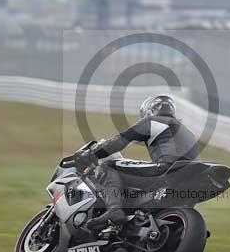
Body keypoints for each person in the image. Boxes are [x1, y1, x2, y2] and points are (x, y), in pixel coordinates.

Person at [74, 94, 200, 231]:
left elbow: (120, 141)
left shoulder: (153, 121)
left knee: (108, 166)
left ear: (150, 110)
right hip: (186, 175)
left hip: (165, 169)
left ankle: (114, 210)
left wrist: (93, 154)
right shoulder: (187, 131)